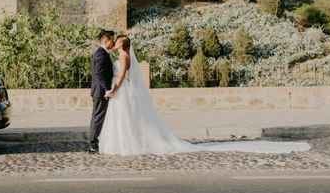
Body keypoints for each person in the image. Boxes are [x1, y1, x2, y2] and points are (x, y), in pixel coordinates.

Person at [99, 35, 311, 156]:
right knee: (128, 120)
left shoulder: (125, 57)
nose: (115, 43)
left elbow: (122, 77)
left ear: (123, 45)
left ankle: (130, 145)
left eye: (117, 42)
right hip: (125, 93)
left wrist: (113, 90)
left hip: (123, 92)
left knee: (128, 120)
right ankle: (130, 143)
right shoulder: (122, 55)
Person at [88, 29, 115, 153]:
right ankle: (93, 144)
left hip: (99, 90)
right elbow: (99, 74)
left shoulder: (102, 53)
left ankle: (95, 142)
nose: (113, 43)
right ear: (105, 40)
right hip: (100, 91)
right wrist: (106, 90)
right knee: (97, 118)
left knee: (98, 117)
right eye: (112, 40)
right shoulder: (100, 54)